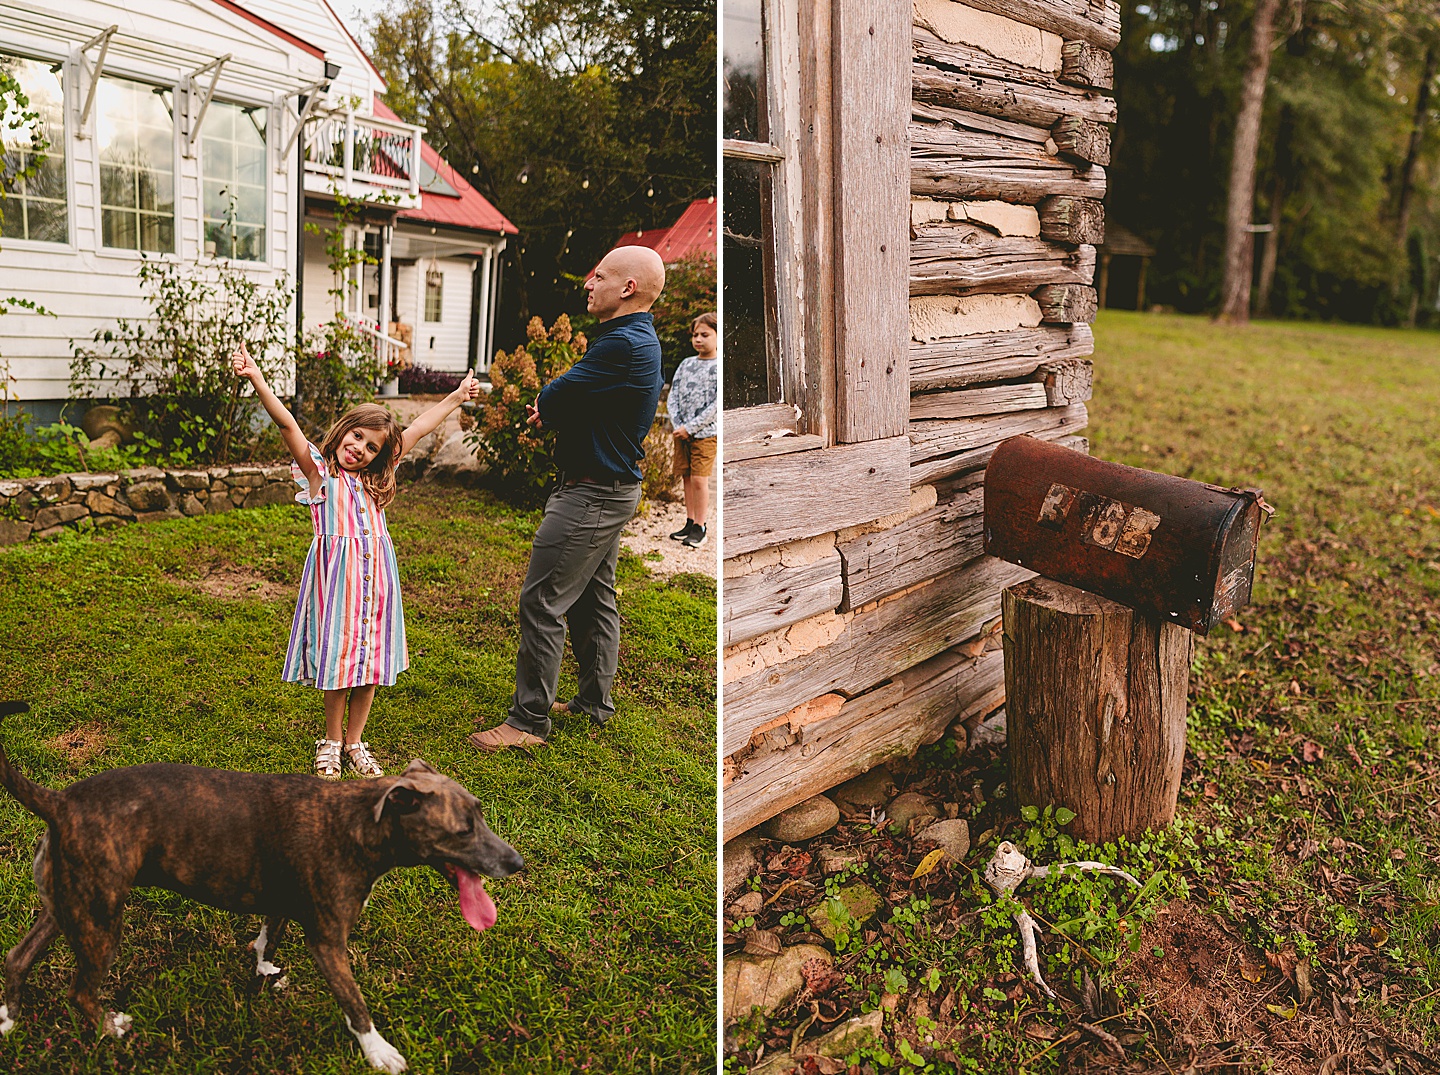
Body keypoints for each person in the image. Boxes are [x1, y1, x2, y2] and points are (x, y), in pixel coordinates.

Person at [231, 344, 481, 778]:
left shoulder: (376, 478)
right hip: (338, 585)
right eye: (356, 437)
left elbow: (418, 427)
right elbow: (287, 424)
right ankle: (330, 741)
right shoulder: (320, 474)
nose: (360, 448)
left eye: (371, 446)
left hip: (377, 584)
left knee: (371, 662)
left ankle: (355, 742)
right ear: (343, 430)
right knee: (340, 663)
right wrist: (257, 378)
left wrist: (457, 397)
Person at [469, 245, 666, 752]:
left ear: (628, 288)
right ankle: (593, 703)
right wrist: (559, 408)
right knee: (593, 599)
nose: (587, 283)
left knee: (542, 601)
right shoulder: (630, 339)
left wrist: (552, 406)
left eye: (597, 276)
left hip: (592, 493)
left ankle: (527, 722)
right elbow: (583, 400)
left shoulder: (621, 343)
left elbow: (558, 394)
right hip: (610, 489)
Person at [667, 311, 718, 548]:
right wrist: (679, 426)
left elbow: (715, 407)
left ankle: (701, 526)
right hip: (682, 433)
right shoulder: (686, 364)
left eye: (705, 334)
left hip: (704, 435)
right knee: (686, 477)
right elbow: (673, 396)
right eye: (695, 335)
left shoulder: (719, 368)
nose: (698, 339)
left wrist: (691, 427)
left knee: (699, 479)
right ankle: (689, 521)